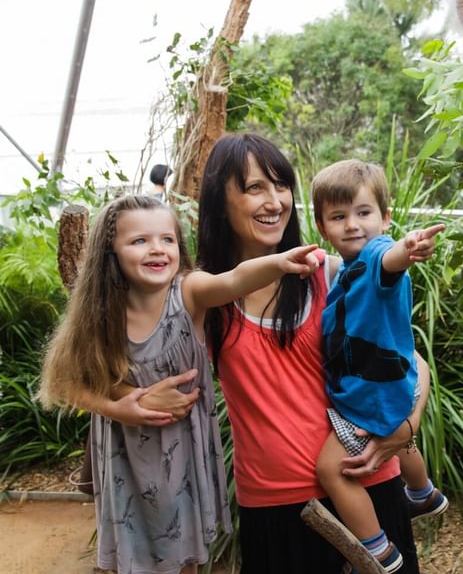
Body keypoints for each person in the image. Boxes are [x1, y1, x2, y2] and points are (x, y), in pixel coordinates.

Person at [37, 194, 320, 574]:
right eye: (139, 241)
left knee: (183, 557)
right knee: (132, 558)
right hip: (125, 457)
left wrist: (279, 263)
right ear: (111, 250)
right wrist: (119, 406)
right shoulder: (100, 311)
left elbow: (233, 280)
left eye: (167, 239)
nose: (157, 250)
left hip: (181, 454)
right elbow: (66, 383)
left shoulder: (188, 292)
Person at [196, 133, 428, 573]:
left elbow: (413, 363)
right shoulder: (208, 297)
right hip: (274, 501)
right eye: (254, 188)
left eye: (281, 185)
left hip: (365, 479)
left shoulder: (332, 273)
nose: (274, 201)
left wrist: (405, 427)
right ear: (219, 199)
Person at [311, 160, 449, 573]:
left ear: (385, 219)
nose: (353, 224)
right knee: (401, 441)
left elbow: (389, 261)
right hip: (390, 378)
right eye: (339, 216)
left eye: (364, 212)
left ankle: (379, 550)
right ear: (322, 226)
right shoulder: (345, 269)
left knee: (331, 470)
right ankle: (423, 493)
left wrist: (406, 250)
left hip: (373, 390)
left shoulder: (374, 257)